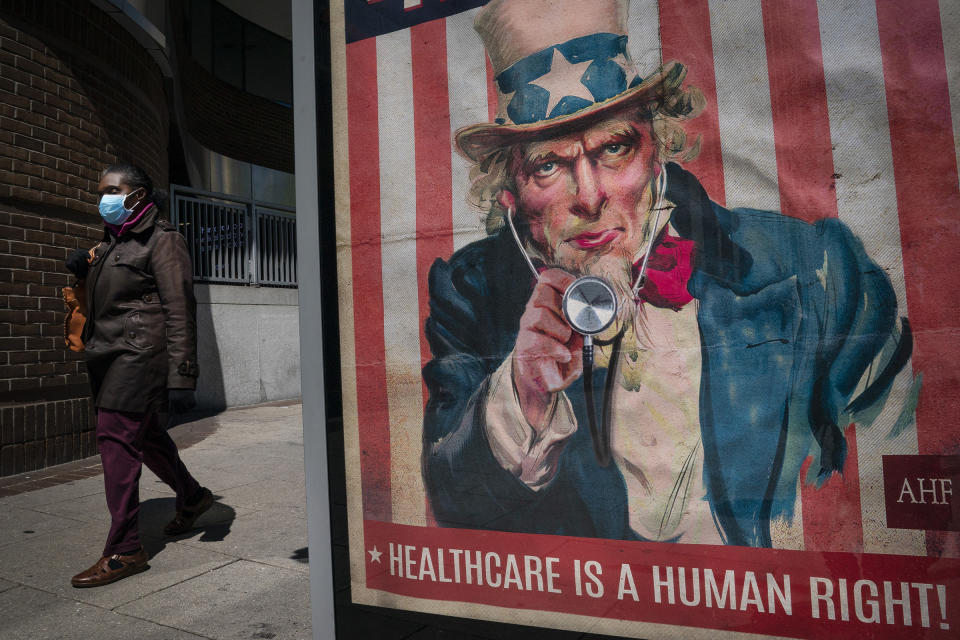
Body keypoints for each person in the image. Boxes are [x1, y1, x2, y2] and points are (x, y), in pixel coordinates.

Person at [422, 0, 911, 547]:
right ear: (510, 193)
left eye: (613, 148)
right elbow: (455, 503)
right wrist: (524, 396)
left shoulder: (815, 267)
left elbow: (884, 460)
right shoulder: (469, 293)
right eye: (549, 165)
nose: (589, 197)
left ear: (658, 149)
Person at [65, 163, 213, 587]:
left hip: (138, 355)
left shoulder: (164, 240)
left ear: (139, 195)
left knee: (115, 440)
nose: (104, 198)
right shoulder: (113, 241)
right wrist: (84, 268)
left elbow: (181, 309)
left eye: (114, 189)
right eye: (101, 190)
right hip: (108, 353)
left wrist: (183, 375)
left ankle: (125, 548)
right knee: (145, 436)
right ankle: (193, 497)